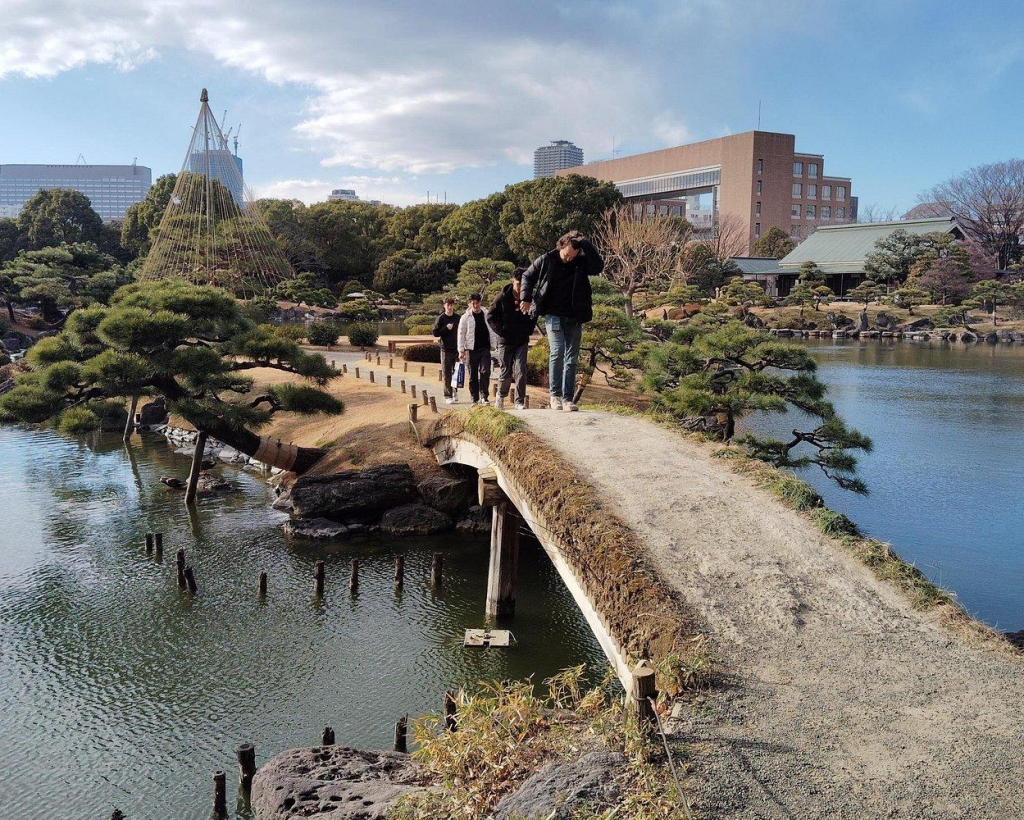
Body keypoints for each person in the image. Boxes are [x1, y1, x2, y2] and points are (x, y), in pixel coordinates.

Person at [519, 230, 603, 411]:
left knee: (571, 358)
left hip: (574, 316)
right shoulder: (547, 259)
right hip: (553, 314)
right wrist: (525, 298)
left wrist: (585, 244)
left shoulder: (581, 262)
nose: (569, 259)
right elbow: (527, 276)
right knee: (557, 351)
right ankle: (555, 395)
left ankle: (568, 399)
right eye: (566, 255)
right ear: (561, 246)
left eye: (573, 256)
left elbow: (598, 267)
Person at [487, 267, 537, 410]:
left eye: (523, 284)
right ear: (512, 281)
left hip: (522, 340)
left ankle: (519, 401)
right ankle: (501, 396)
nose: (521, 287)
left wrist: (529, 329)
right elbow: (490, 317)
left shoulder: (529, 297)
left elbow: (534, 314)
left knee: (521, 370)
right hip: (506, 340)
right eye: (518, 284)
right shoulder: (502, 297)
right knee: (506, 370)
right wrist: (501, 331)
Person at [457, 293, 497, 406]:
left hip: (485, 348)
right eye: (473, 303)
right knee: (473, 374)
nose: (475, 305)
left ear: (480, 302)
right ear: (470, 304)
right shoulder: (465, 317)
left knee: (485, 371)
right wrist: (461, 350)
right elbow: (461, 334)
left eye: (477, 303)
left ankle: (484, 396)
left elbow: (493, 329)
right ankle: (474, 397)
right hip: (471, 349)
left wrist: (495, 342)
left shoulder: (487, 314)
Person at [432, 297, 460, 404]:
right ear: (444, 306)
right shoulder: (441, 318)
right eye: (448, 305)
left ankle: (455, 391)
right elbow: (435, 333)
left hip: (457, 349)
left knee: (457, 372)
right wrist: (446, 328)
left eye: (451, 305)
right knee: (447, 373)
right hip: (445, 350)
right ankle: (448, 395)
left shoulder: (458, 318)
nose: (449, 307)